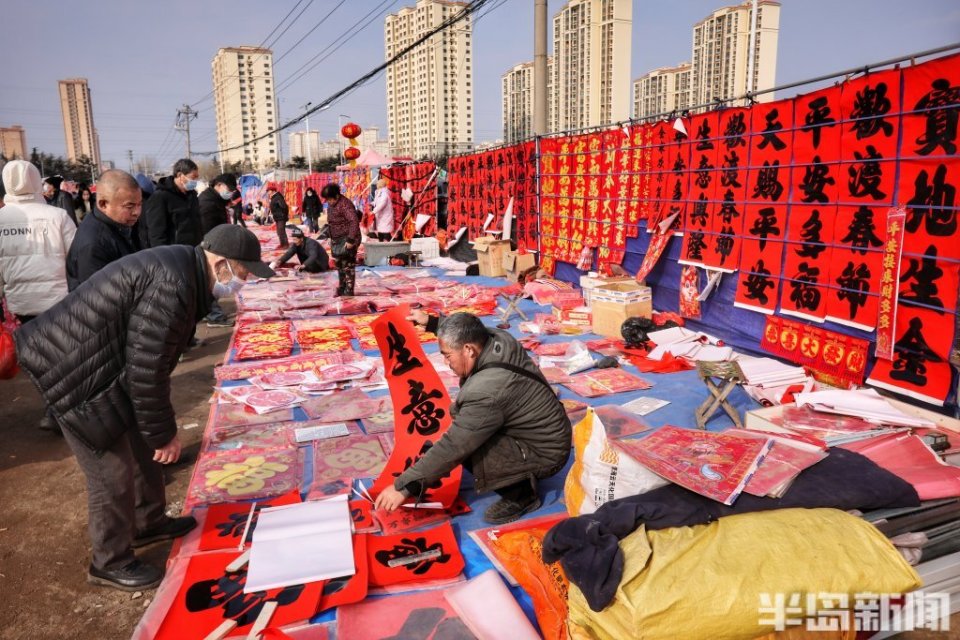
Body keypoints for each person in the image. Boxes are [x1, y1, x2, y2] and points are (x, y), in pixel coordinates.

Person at [14, 224, 275, 591]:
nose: (242, 282)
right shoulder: (174, 284)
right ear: (220, 264)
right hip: (72, 369)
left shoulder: (187, 272)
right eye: (243, 272)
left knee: (141, 446)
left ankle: (148, 522)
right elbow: (147, 370)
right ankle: (109, 561)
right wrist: (165, 434)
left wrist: (154, 433)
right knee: (112, 470)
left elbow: (149, 362)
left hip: (102, 363)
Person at [374, 311, 571, 524]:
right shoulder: (498, 339)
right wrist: (433, 323)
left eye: (447, 355)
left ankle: (521, 494)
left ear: (468, 350)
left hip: (545, 454)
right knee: (463, 419)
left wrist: (405, 486)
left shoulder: (486, 391)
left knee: (467, 440)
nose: (446, 362)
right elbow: (471, 330)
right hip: (547, 433)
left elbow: (455, 445)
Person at [0, 160, 77, 432]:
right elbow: (75, 257)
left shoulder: (1, 220)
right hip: (59, 300)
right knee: (62, 355)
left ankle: (52, 407)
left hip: (20, 304)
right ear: (36, 180)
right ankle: (61, 410)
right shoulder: (57, 216)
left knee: (37, 357)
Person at [66, 170, 142, 291]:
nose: (137, 212)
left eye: (139, 204)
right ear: (103, 204)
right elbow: (97, 298)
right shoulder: (94, 243)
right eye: (129, 206)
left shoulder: (121, 224)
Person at [142, 158, 201, 249]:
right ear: (180, 175)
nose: (195, 182)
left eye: (197, 178)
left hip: (193, 250)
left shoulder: (192, 196)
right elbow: (156, 234)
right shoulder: (160, 197)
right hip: (174, 253)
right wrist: (163, 256)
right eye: (193, 178)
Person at [321, 183, 360, 297]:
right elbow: (331, 222)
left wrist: (350, 240)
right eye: (327, 199)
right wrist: (329, 236)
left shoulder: (345, 204)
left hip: (347, 238)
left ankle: (349, 290)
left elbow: (354, 221)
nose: (328, 201)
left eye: (330, 199)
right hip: (337, 239)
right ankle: (342, 287)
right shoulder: (331, 205)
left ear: (337, 196)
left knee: (348, 265)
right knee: (339, 265)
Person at [267, 182, 290, 248]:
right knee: (279, 231)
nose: (268, 192)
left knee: (281, 231)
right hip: (277, 217)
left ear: (273, 191)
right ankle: (282, 244)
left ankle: (285, 244)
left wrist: (283, 214)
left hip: (281, 217)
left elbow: (284, 206)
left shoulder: (278, 197)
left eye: (269, 191)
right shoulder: (274, 197)